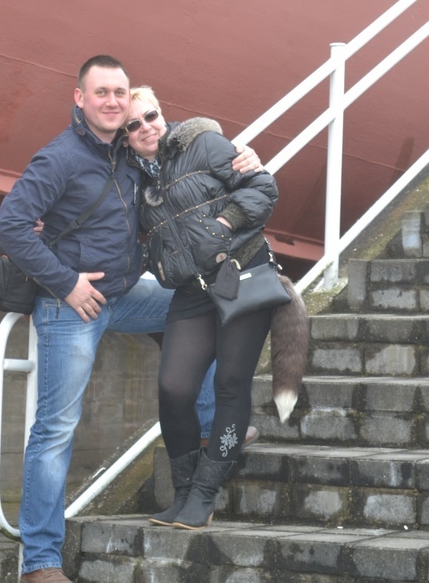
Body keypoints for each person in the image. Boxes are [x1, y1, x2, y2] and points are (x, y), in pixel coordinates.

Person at [0, 55, 261, 583]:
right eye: (102, 93)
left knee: (198, 301)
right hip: (72, 303)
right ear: (80, 98)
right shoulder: (60, 158)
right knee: (55, 429)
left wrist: (240, 156)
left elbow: (178, 142)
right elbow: (11, 224)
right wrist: (65, 283)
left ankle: (210, 426)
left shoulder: (128, 149)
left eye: (120, 92)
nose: (114, 102)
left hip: (124, 292)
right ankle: (40, 561)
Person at [124, 85, 279, 530]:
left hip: (240, 275)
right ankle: (184, 492)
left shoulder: (203, 144)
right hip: (191, 293)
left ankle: (205, 494)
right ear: (124, 135)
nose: (145, 128)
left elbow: (263, 186)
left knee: (230, 385)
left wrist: (224, 223)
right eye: (133, 125)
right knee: (173, 388)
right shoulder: (132, 178)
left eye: (150, 116)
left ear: (162, 114)